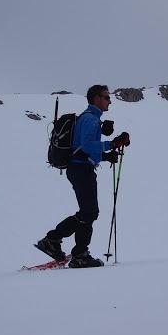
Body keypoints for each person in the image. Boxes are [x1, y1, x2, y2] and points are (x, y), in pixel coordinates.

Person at [36, 85, 130, 268]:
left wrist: (105, 156)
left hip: (80, 167)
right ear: (96, 98)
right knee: (89, 212)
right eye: (106, 97)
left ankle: (57, 242)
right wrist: (112, 144)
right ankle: (75, 252)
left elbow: (83, 148)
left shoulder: (91, 118)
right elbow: (87, 146)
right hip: (80, 169)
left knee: (88, 212)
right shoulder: (90, 119)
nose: (109, 101)